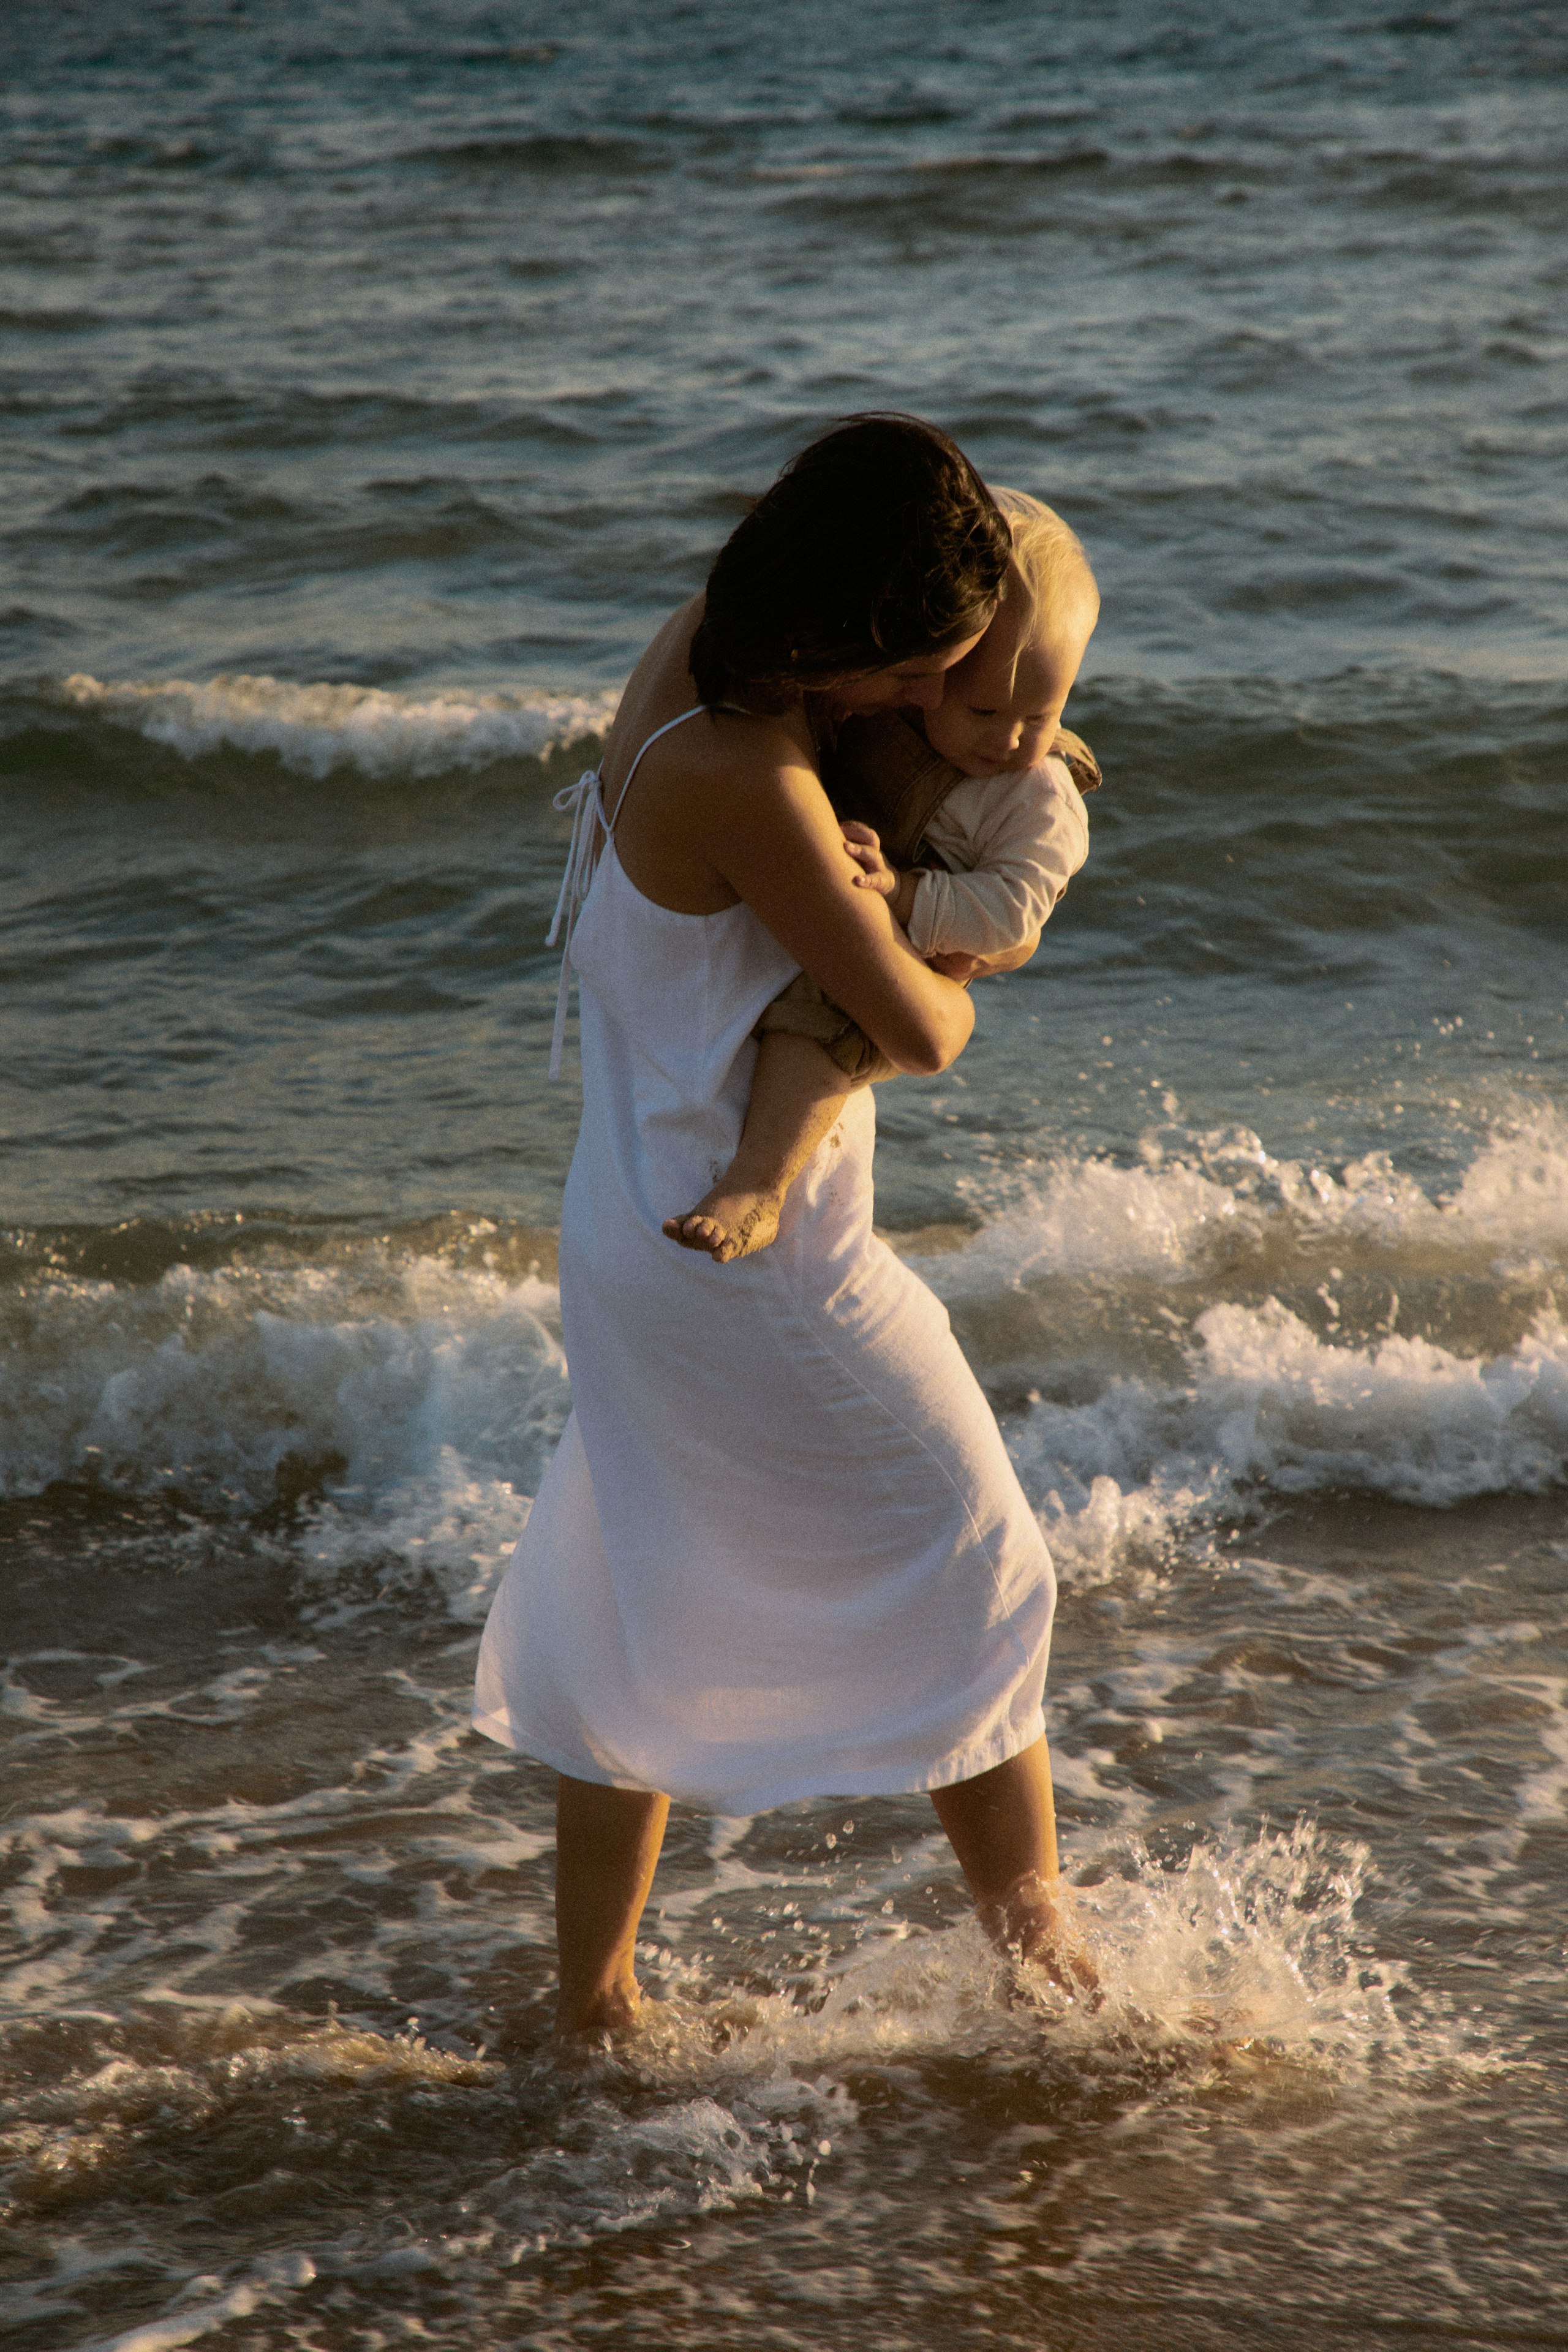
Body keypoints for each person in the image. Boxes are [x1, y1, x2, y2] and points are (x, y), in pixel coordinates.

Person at [473, 417, 1095, 2038]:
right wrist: (954, 951)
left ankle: (593, 2008)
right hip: (763, 1262)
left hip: (634, 1218)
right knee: (985, 1568)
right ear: (844, 633)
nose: (921, 705)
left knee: (640, 1608)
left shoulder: (698, 645)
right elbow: (924, 1030)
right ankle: (1051, 1980)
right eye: (915, 674)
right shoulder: (753, 783)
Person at [663, 489, 1101, 1266]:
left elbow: (1012, 916)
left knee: (823, 1028)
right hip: (866, 888)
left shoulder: (1039, 798)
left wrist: (906, 895)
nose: (1010, 740)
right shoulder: (902, 705)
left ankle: (758, 1185)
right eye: (983, 711)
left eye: (1040, 716)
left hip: (927, 933)